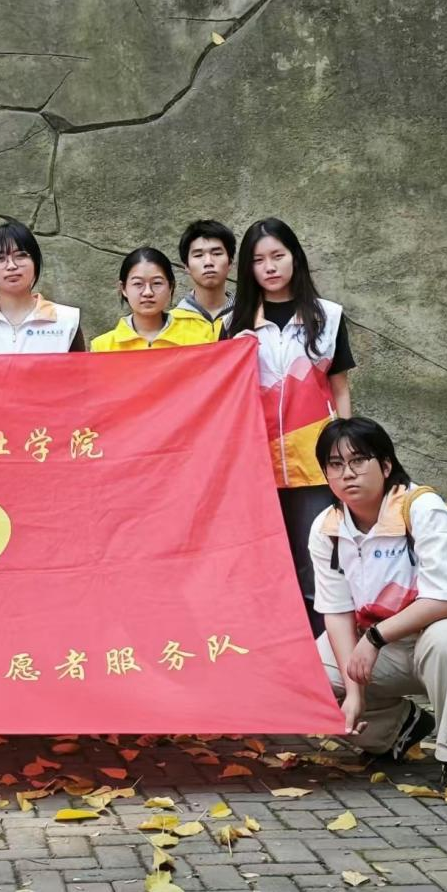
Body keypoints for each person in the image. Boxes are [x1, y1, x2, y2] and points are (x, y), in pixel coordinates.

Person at [309, 418, 447, 786]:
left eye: (358, 461)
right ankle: (399, 728)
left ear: (386, 466)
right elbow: (336, 612)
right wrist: (354, 692)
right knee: (305, 677)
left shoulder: (422, 509)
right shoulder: (327, 527)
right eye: (335, 464)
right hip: (388, 646)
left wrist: (373, 639)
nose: (347, 473)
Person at [224, 218, 355, 636]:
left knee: (317, 557)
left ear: (295, 257)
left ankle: (324, 652)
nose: (270, 267)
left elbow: (339, 387)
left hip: (315, 461)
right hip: (255, 463)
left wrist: (346, 452)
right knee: (267, 559)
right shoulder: (231, 323)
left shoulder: (327, 316)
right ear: (247, 268)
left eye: (278, 255)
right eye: (258, 259)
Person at [0, 220, 84, 353]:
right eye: (0, 258)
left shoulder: (67, 321)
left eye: (20, 256)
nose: (11, 266)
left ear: (35, 262)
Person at [90, 248, 217, 351]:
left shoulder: (199, 340)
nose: (148, 292)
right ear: (123, 288)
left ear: (171, 287)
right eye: (138, 284)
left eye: (157, 283)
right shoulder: (103, 347)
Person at [175, 219, 236, 334]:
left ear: (230, 262)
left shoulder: (250, 317)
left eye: (217, 253)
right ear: (186, 266)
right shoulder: (172, 323)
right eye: (198, 255)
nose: (208, 262)